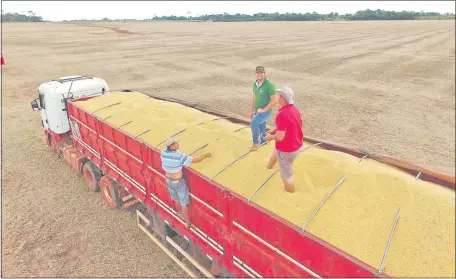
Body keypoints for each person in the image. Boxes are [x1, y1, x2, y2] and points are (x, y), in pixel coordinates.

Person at [160, 137, 212, 228]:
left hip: (168, 180)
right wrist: (205, 156)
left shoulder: (163, 153)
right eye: (176, 143)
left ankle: (179, 214)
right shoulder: (178, 156)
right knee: (184, 203)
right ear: (172, 146)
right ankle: (187, 223)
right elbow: (195, 160)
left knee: (176, 199)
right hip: (178, 182)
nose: (178, 144)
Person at [263, 86, 303, 193]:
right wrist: (276, 129)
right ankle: (269, 166)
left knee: (286, 175)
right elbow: (290, 125)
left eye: (277, 95)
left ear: (282, 98)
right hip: (296, 143)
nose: (275, 97)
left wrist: (270, 137)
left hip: (287, 149)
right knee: (276, 152)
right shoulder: (294, 109)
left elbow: (280, 137)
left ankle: (290, 191)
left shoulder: (282, 114)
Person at [249, 66, 278, 151]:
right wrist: (251, 111)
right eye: (257, 73)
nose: (259, 74)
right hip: (257, 110)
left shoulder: (269, 85)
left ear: (264, 74)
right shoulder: (255, 84)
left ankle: (255, 143)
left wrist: (263, 110)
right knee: (261, 125)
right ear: (255, 74)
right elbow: (254, 97)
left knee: (253, 123)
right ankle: (264, 139)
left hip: (265, 111)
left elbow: (274, 101)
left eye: (261, 73)